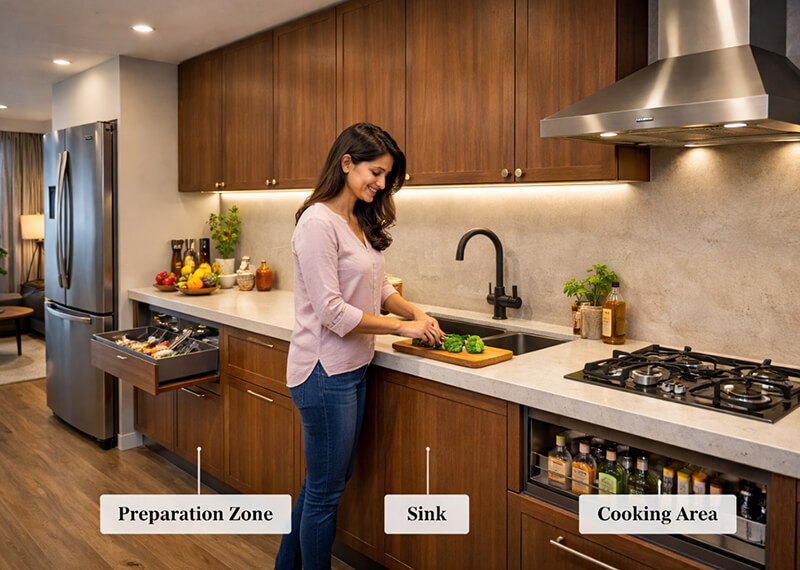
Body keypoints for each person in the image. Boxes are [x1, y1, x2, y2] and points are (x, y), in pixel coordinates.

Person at [274, 123, 443, 570]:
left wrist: (414, 312)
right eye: (376, 172)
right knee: (325, 493)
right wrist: (401, 329)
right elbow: (332, 311)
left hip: (352, 368)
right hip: (323, 373)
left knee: (324, 484)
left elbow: (378, 284)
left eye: (386, 176)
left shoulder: (358, 220)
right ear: (346, 162)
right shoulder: (317, 222)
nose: (381, 184)